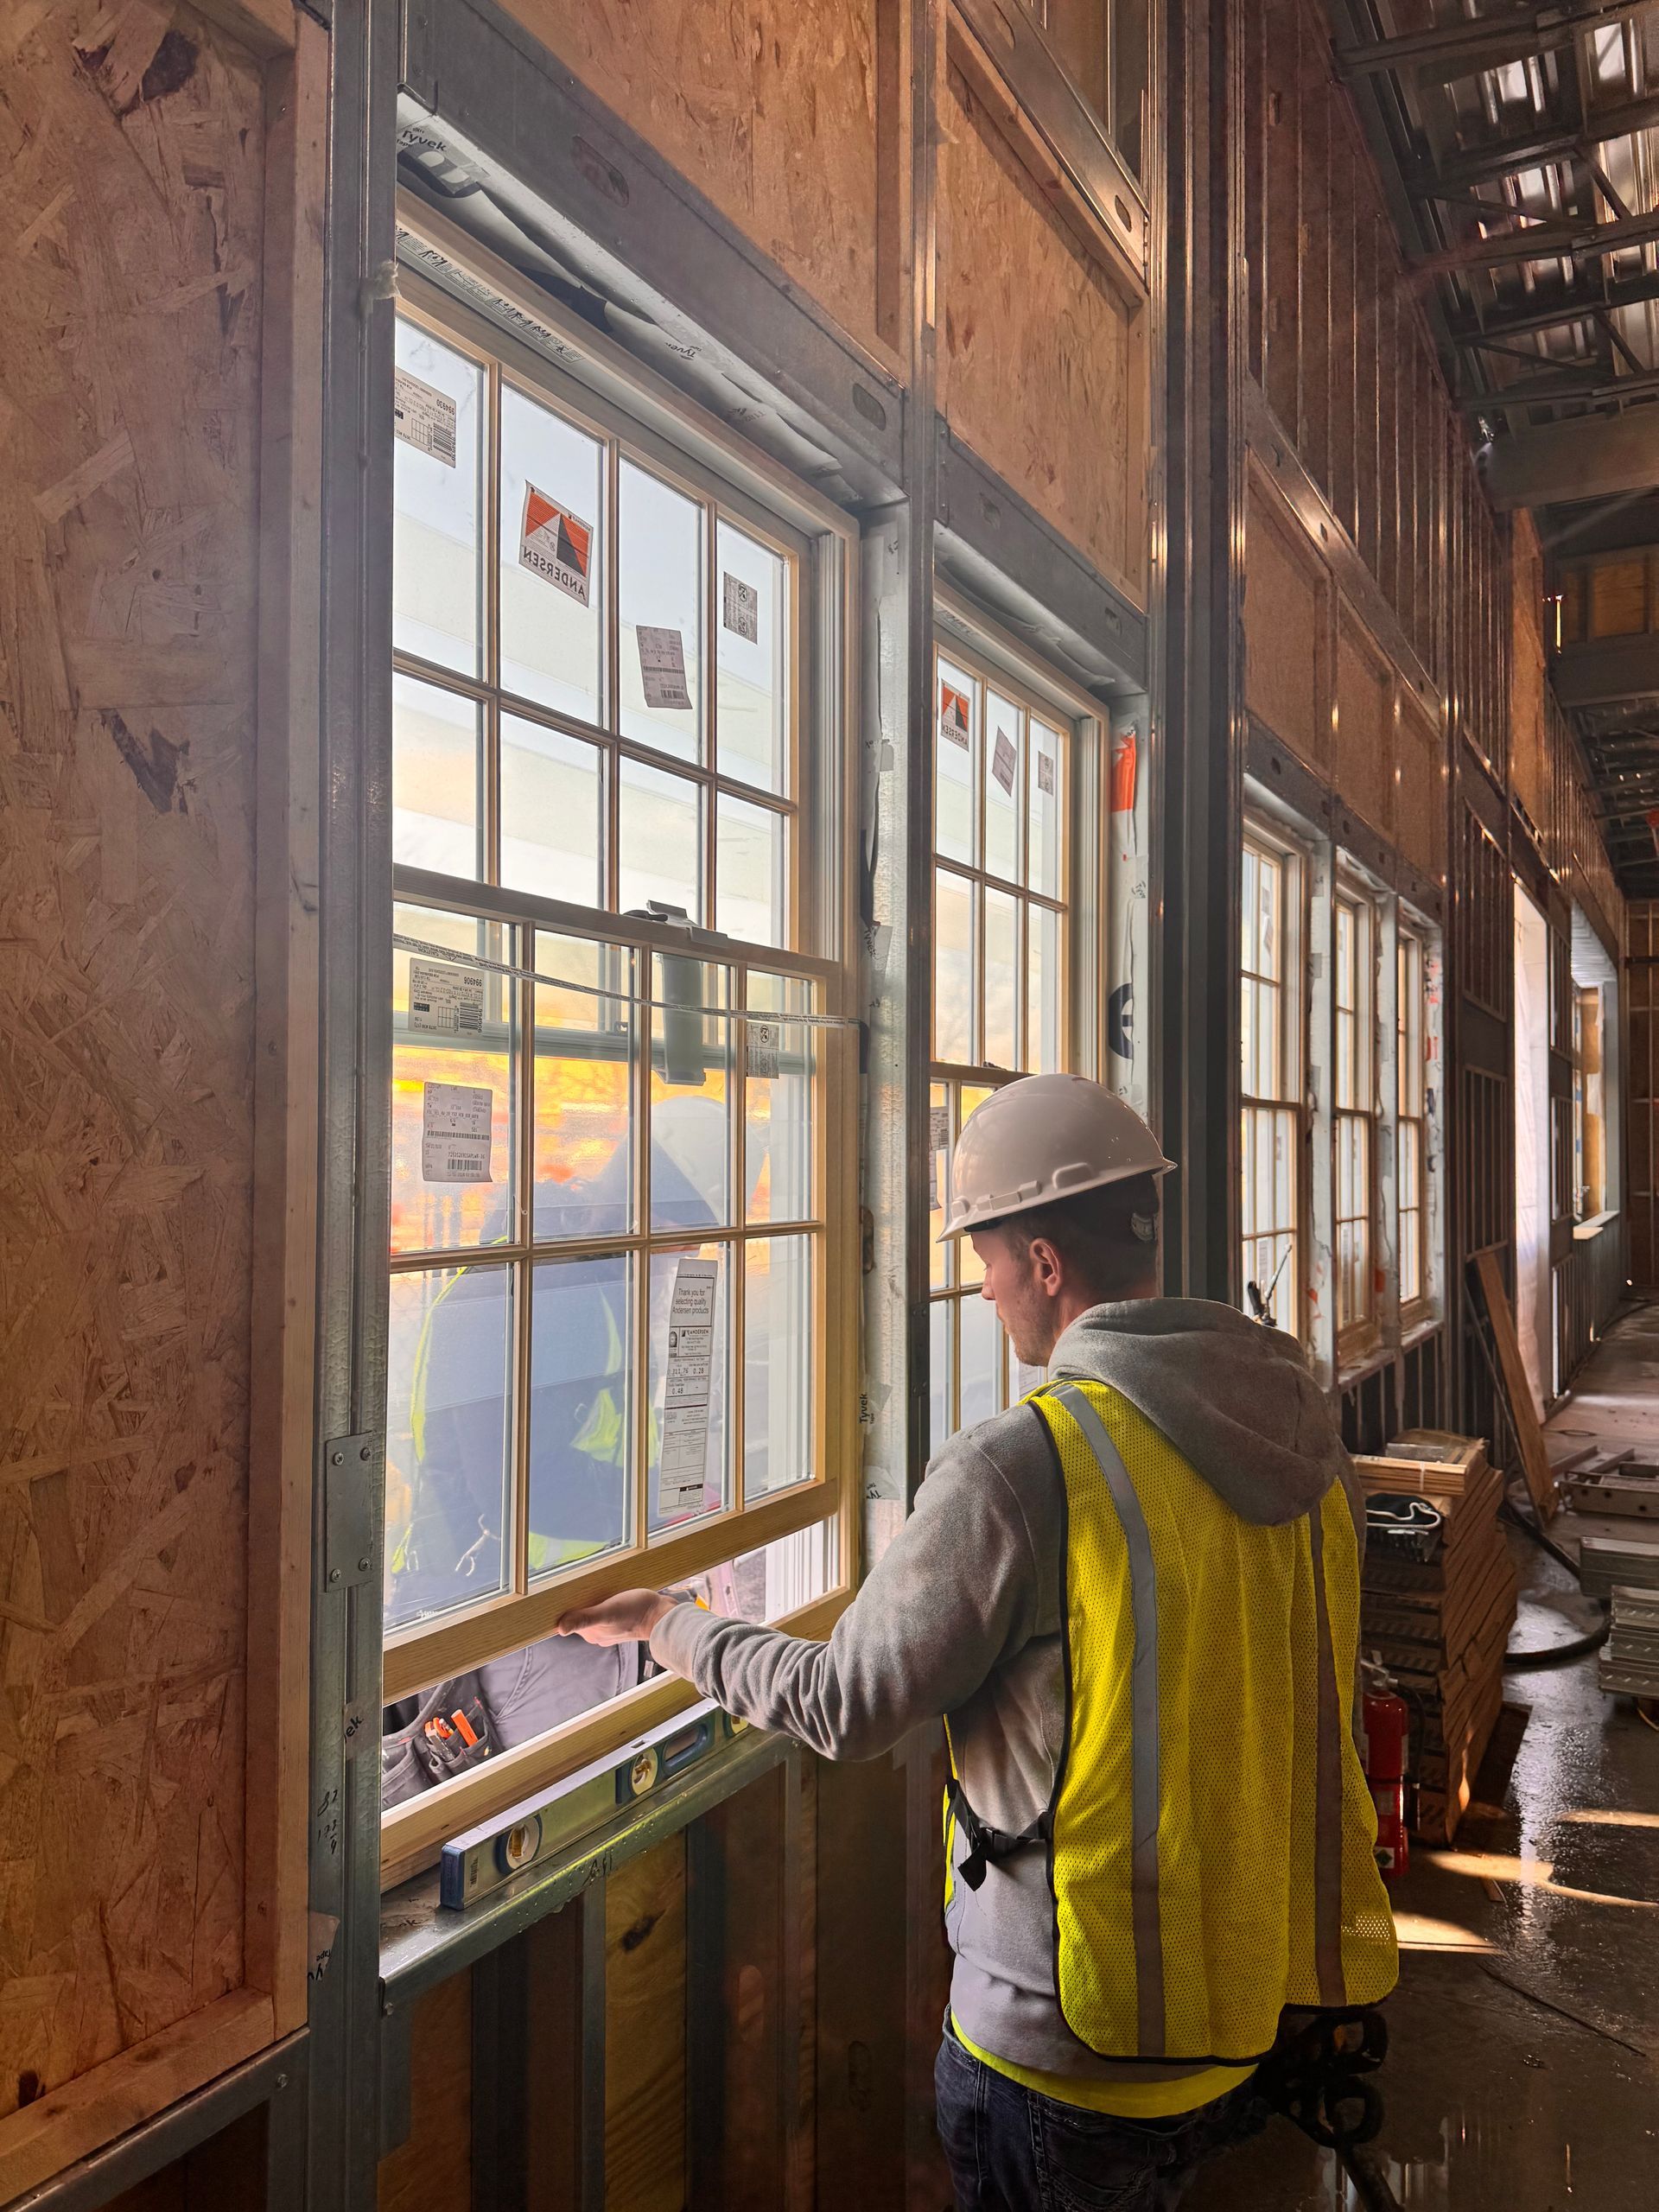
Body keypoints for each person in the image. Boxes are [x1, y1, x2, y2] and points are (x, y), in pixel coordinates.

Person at [559, 1074, 1398, 2210]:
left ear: (1045, 1262)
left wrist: (672, 1627)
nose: (986, 1286)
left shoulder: (1027, 1465)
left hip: (1068, 2044)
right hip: (1236, 2014)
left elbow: (849, 1701)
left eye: (987, 1257)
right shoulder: (1299, 1438)